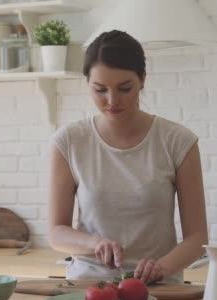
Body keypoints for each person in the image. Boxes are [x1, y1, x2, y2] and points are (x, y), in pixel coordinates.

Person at [47, 30, 208, 285]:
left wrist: (161, 267)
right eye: (100, 90)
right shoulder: (69, 142)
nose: (112, 101)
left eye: (125, 88)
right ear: (87, 82)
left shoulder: (178, 141)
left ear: (142, 80)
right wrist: (95, 243)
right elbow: (56, 233)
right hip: (89, 286)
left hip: (159, 287)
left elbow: (197, 239)